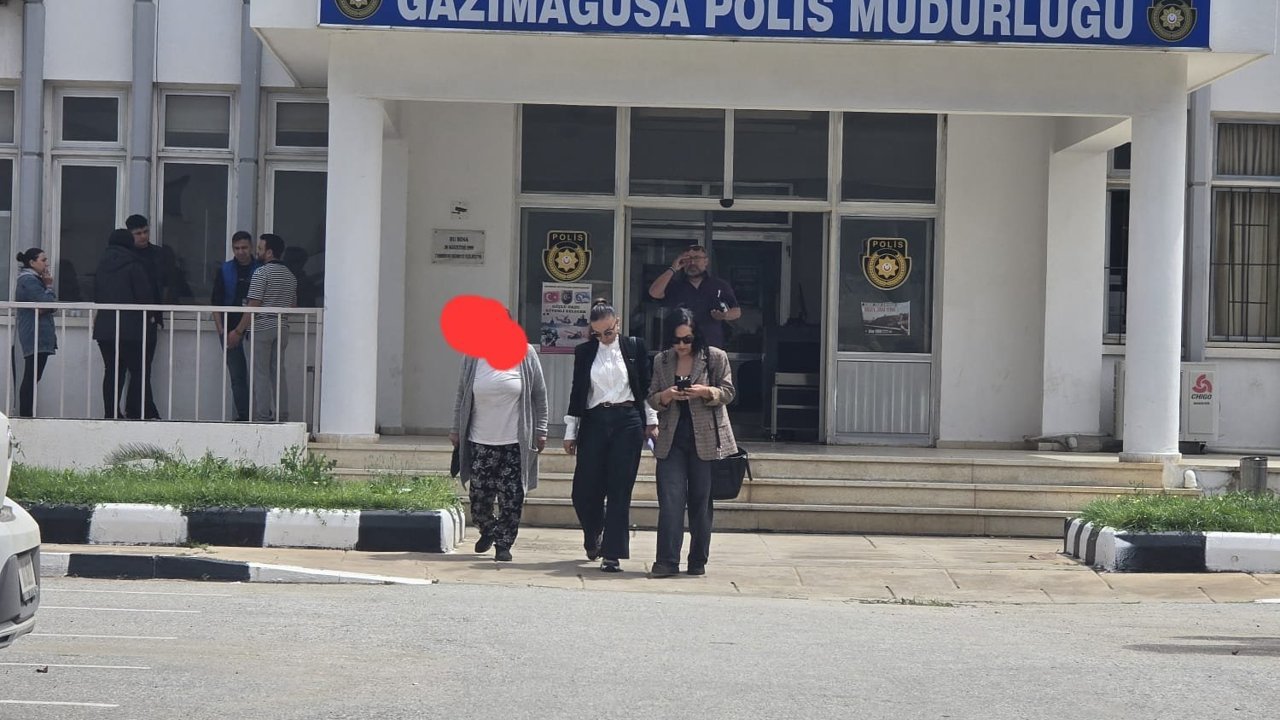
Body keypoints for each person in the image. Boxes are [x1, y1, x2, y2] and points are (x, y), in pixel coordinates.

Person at [563, 299, 658, 573]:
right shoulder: (585, 352)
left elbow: (645, 386)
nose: (604, 338)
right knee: (583, 490)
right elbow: (578, 393)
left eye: (608, 332)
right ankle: (593, 533)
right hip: (594, 420)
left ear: (618, 323)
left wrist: (651, 421)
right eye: (597, 334)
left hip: (627, 420)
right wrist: (570, 431)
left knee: (619, 489)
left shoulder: (634, 347)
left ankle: (612, 554)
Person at [647, 308, 738, 578]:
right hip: (672, 438)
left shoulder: (714, 357)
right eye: (677, 340)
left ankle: (698, 559)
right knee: (670, 500)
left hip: (705, 437)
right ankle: (666, 560)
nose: (682, 345)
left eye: (687, 339)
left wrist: (705, 391)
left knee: (700, 502)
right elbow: (652, 397)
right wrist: (667, 395)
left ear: (696, 336)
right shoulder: (662, 360)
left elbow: (728, 392)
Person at [449, 340, 548, 562]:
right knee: (479, 497)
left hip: (515, 442)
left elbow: (539, 394)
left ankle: (504, 544)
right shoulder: (472, 356)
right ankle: (488, 529)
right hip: (480, 440)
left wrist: (541, 430)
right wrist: (456, 429)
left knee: (511, 497)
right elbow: (461, 395)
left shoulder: (525, 353)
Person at [227, 233, 297, 422]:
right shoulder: (290, 275)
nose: (257, 252)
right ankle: (282, 413)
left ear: (269, 252)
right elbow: (292, 305)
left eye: (260, 249)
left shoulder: (261, 273)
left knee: (260, 373)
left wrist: (238, 330)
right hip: (282, 326)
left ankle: (263, 415)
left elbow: (254, 305)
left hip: (262, 327)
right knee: (278, 371)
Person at [92, 229, 156, 419]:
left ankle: (111, 413)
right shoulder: (134, 264)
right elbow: (144, 295)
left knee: (112, 370)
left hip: (105, 327)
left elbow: (96, 294)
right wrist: (151, 315)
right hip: (130, 328)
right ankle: (137, 411)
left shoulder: (101, 265)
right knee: (137, 370)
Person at [125, 214, 175, 419]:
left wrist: (159, 311)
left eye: (145, 232)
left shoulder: (158, 254)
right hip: (130, 318)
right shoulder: (126, 255)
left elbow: (167, 283)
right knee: (138, 367)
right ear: (130, 235)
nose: (143, 236)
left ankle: (138, 409)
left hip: (151, 317)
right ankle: (143, 409)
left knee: (143, 366)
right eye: (138, 233)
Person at [646, 244, 741, 349]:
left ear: (706, 261)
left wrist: (724, 315)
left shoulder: (719, 285)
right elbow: (654, 292)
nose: (692, 263)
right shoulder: (675, 285)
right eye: (687, 259)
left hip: (710, 347)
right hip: (681, 348)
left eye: (696, 258)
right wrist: (673, 269)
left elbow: (736, 311)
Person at [211, 231, 262, 421]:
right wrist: (222, 332)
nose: (240, 252)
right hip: (229, 329)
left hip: (257, 328)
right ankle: (243, 416)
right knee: (237, 376)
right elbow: (215, 303)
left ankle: (262, 415)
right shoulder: (225, 269)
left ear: (251, 247)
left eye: (244, 248)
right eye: (236, 248)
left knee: (261, 375)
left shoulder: (261, 269)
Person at [14, 248, 58, 418]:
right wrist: (49, 286)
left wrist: (44, 306)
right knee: (31, 377)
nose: (46, 264)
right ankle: (26, 415)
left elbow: (45, 307)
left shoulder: (33, 280)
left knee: (33, 377)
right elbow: (48, 303)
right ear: (32, 262)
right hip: (35, 334)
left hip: (39, 334)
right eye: (43, 260)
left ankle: (27, 414)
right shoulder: (28, 280)